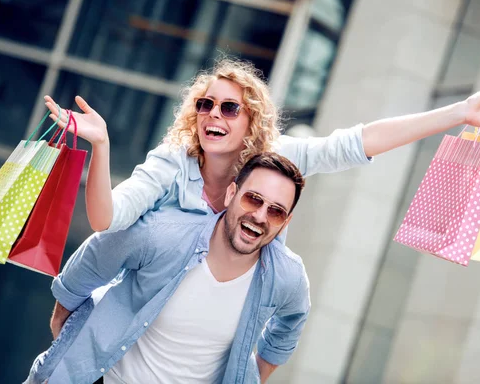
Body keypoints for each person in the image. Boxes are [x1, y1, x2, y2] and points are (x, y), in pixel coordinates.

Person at [44, 58, 480, 236]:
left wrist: (458, 114)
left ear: (252, 119)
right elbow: (106, 220)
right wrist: (101, 144)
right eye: (206, 104)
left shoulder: (276, 158)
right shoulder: (172, 162)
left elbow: (358, 142)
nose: (214, 114)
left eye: (230, 108)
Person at [25, 153, 309, 384]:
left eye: (275, 211)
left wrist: (255, 375)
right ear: (231, 192)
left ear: (286, 221)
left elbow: (293, 320)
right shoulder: (165, 235)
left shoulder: (286, 277)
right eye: (253, 199)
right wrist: (62, 321)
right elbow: (98, 254)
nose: (259, 216)